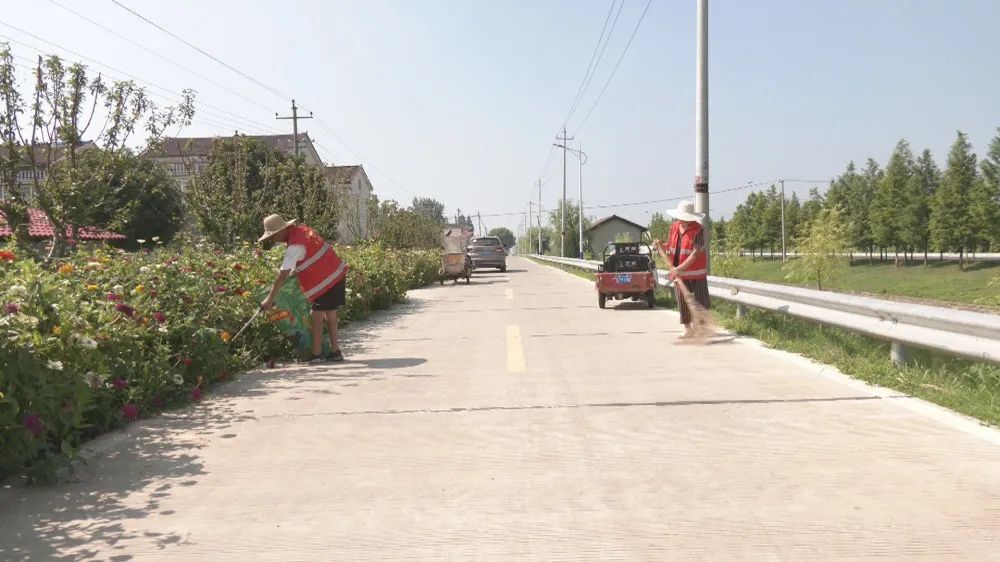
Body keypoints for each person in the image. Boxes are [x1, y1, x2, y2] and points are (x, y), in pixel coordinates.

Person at [258, 214, 348, 364]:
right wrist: (297, 270)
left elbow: (282, 275)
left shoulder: (294, 245)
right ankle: (335, 351)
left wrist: (269, 299)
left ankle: (317, 354)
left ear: (282, 231)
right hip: (336, 275)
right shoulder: (302, 231)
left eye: (273, 236)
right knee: (331, 315)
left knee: (316, 316)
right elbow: (310, 255)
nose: (273, 240)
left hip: (325, 281)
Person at [654, 200, 710, 338]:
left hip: (696, 273)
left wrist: (679, 269)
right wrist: (661, 245)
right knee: (683, 302)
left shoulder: (699, 230)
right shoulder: (674, 227)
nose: (683, 221)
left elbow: (695, 254)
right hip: (679, 274)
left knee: (701, 301)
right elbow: (671, 245)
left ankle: (701, 327)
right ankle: (687, 328)